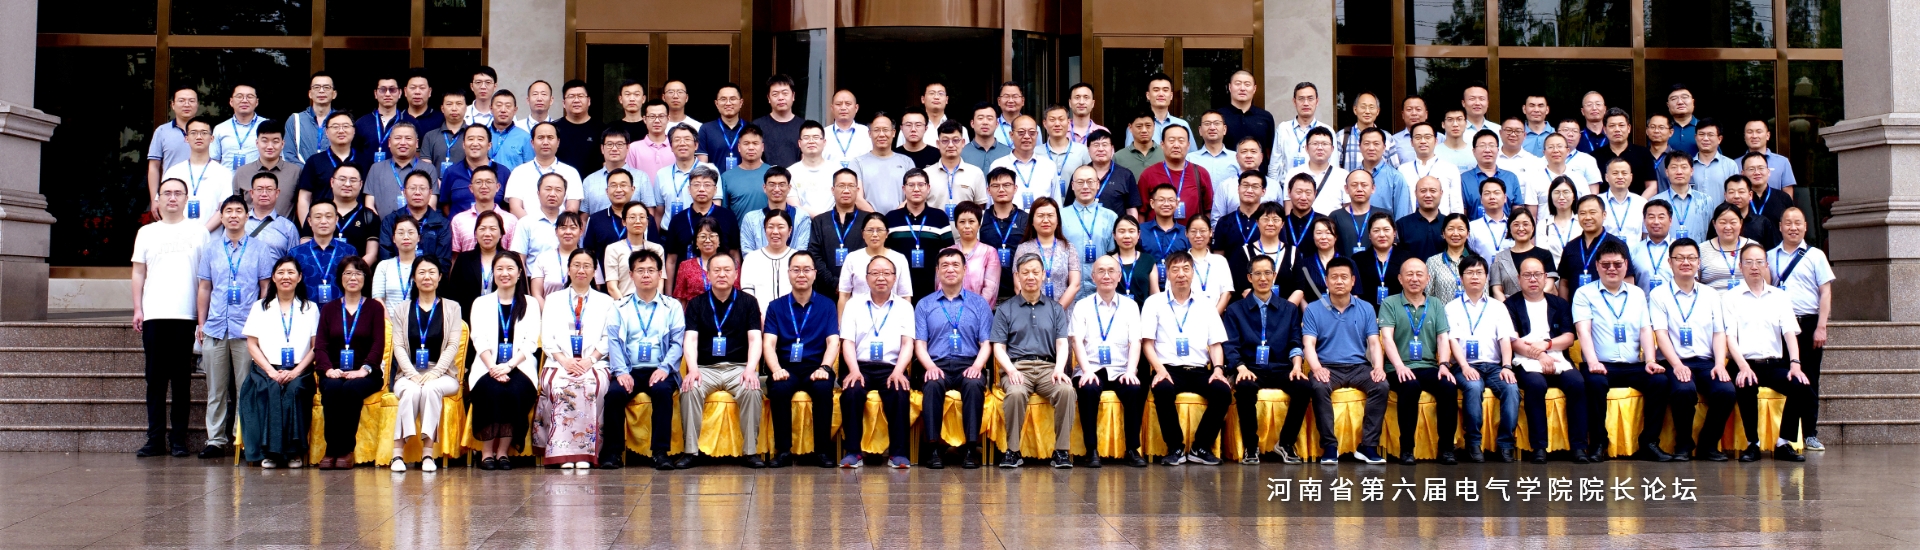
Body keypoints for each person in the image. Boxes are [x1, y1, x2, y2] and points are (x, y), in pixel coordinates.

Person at [1570, 239, 1670, 461]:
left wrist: (1650, 361)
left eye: (1617, 264)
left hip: (1633, 365)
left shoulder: (1637, 293)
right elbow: (1583, 331)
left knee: (1660, 381)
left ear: (1626, 265)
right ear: (1597, 266)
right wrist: (1593, 362)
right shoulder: (1584, 293)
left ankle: (1649, 442)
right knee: (1594, 383)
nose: (1612, 269)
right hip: (1600, 364)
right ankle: (1598, 443)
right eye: (1606, 265)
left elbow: (1645, 329)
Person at [194, 197, 274, 459]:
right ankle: (215, 440)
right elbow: (205, 287)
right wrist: (201, 323)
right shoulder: (211, 249)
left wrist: (261, 324)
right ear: (221, 216)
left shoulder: (260, 249)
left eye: (239, 210)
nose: (233, 215)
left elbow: (265, 288)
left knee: (244, 388)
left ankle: (242, 438)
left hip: (246, 329)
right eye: (228, 211)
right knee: (215, 389)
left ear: (247, 215)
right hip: (216, 326)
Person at [1723, 243, 1814, 462]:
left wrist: (1795, 363)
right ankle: (1752, 444)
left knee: (1800, 385)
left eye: (1759, 262)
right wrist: (1743, 367)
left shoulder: (1779, 296)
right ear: (1740, 266)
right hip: (1743, 362)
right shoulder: (1730, 297)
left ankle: (1783, 442)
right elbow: (1729, 337)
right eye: (1748, 262)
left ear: (1766, 265)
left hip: (1773, 364)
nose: (1754, 267)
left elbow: (1790, 332)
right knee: (1745, 384)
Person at [1504, 255, 1596, 462]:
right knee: (1535, 385)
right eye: (1527, 275)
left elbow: (1569, 337)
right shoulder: (1510, 305)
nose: (1533, 279)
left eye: (1537, 274)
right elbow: (1513, 341)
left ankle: (1579, 447)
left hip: (1557, 356)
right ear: (1519, 278)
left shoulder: (1559, 304)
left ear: (1546, 277)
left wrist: (1546, 346)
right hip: (1524, 359)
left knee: (1577, 383)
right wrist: (1540, 356)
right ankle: (1539, 448)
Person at [991, 253, 1079, 468]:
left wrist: (1059, 369)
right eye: (1025, 272)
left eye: (1035, 272)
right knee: (1015, 393)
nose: (1030, 277)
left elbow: (1062, 343)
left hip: (1048, 368)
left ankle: (1061, 451)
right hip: (1017, 367)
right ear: (1017, 276)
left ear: (1043, 275)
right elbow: (998, 347)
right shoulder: (1005, 309)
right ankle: (1013, 451)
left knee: (1066, 391)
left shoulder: (1055, 308)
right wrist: (1011, 370)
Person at [679, 254, 766, 469]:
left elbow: (755, 339)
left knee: (752, 390)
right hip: (705, 369)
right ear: (708, 275)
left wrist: (750, 369)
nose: (722, 274)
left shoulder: (748, 302)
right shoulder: (696, 304)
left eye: (727, 270)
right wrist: (692, 370)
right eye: (716, 270)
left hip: (738, 368)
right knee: (689, 389)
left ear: (736, 274)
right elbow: (690, 339)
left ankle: (750, 452)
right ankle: (690, 451)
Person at [1223, 255, 1313, 465]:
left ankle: (1286, 443)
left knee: (1303, 387)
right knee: (1245, 387)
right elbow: (1231, 345)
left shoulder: (1289, 309)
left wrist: (1297, 366)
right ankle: (1251, 447)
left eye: (1267, 273)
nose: (1262, 278)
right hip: (1250, 367)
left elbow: (1295, 341)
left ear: (1274, 275)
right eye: (1257, 274)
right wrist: (1240, 367)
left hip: (1281, 367)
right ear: (1249, 277)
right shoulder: (1235, 309)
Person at [601, 250, 686, 469]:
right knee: (614, 394)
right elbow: (614, 342)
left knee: (662, 391)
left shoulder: (672, 306)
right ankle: (613, 453)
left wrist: (665, 368)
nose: (646, 275)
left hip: (660, 368)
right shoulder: (619, 307)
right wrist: (621, 372)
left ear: (660, 274)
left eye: (650, 270)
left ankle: (660, 452)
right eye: (640, 270)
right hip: (629, 369)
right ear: (631, 274)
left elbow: (677, 343)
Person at [1302, 256, 1389, 464]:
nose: (1339, 281)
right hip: (1328, 367)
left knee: (1381, 385)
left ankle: (1368, 446)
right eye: (1334, 277)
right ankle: (1330, 446)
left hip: (1359, 367)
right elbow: (1308, 344)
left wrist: (1378, 367)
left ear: (1353, 281)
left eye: (1344, 277)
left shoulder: (1366, 308)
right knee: (1319, 386)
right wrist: (1317, 368)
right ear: (1326, 281)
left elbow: (1374, 343)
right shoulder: (1314, 308)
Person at [1646, 237, 1727, 461]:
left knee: (1726, 391)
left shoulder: (1710, 294)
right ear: (1669, 262)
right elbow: (1661, 333)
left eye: (1691, 258)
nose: (1686, 262)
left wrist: (1720, 364)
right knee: (1684, 390)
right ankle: (1683, 444)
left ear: (1699, 262)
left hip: (1705, 361)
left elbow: (1719, 333)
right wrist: (1677, 365)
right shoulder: (1658, 294)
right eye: (1679, 258)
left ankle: (1708, 445)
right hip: (1674, 361)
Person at [914, 249, 996, 468]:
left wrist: (977, 366)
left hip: (968, 363)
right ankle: (933, 449)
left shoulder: (979, 304)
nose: (950, 269)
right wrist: (930, 367)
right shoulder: (924, 305)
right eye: (945, 265)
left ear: (965, 269)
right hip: (936, 364)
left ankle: (970, 448)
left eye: (955, 265)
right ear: (937, 271)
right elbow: (920, 344)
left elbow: (986, 343)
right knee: (932, 385)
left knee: (973, 384)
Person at [238, 257, 320, 469]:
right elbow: (252, 344)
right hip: (265, 369)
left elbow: (315, 347)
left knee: (295, 390)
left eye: (291, 272)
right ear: (273, 277)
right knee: (271, 389)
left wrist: (296, 372)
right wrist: (271, 372)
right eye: (281, 272)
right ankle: (270, 453)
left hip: (300, 370)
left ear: (299, 277)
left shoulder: (310, 308)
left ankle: (293, 452)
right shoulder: (260, 307)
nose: (286, 277)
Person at [836, 256, 918, 469]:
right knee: (852, 391)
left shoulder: (904, 307)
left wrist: (899, 371)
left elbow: (908, 343)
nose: (881, 277)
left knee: (899, 391)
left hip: (891, 366)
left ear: (894, 278)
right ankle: (853, 452)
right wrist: (854, 370)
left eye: (886, 273)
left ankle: (898, 454)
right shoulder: (853, 305)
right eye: (875, 273)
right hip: (859, 365)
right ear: (866, 278)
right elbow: (847, 342)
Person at [760, 251, 840, 468]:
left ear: (815, 273)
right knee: (779, 389)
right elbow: (768, 343)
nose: (801, 274)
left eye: (806, 270)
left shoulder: (827, 305)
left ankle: (822, 451)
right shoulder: (775, 306)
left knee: (823, 388)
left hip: (816, 366)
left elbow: (833, 341)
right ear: (788, 273)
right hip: (786, 367)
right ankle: (783, 451)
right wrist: (775, 369)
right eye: (796, 270)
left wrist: (825, 367)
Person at [1377, 257, 1459, 464]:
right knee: (1410, 385)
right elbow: (1387, 338)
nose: (1414, 279)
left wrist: (1444, 364)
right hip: (1397, 367)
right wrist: (1399, 366)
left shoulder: (1436, 304)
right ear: (1400, 278)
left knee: (1448, 386)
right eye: (1409, 274)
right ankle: (1407, 449)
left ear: (1427, 278)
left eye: (1419, 274)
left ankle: (1447, 449)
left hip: (1429, 365)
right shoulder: (1390, 303)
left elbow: (1443, 338)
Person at [466, 252, 540, 471]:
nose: (504, 273)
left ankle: (503, 451)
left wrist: (508, 366)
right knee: (490, 390)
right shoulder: (481, 303)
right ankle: (487, 451)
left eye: (510, 269)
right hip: (486, 365)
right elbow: (478, 339)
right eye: (499, 269)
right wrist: (493, 367)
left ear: (519, 273)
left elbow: (531, 343)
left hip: (520, 365)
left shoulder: (530, 303)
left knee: (513, 391)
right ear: (493, 273)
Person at [388, 257, 463, 472]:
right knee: (410, 391)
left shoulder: (452, 307)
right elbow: (398, 346)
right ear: (413, 277)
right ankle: (397, 455)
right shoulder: (402, 309)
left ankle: (428, 454)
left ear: (440, 277)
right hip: (408, 372)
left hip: (443, 374)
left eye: (432, 272)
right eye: (421, 272)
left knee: (431, 388)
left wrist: (436, 372)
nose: (427, 277)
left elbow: (452, 345)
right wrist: (411, 374)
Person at [1445, 255, 1521, 462]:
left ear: (1486, 277)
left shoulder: (1498, 306)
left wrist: (1507, 366)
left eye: (1479, 272)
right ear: (1461, 278)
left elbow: (1505, 339)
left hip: (1495, 366)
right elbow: (1452, 341)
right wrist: (1464, 366)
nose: (1475, 277)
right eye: (1469, 273)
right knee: (1473, 387)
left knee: (1511, 388)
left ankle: (1506, 444)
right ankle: (1473, 442)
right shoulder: (1452, 307)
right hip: (1465, 365)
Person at [312, 258, 385, 470]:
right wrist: (328, 369)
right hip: (333, 371)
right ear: (340, 278)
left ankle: (345, 450)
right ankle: (331, 449)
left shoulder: (374, 307)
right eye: (348, 273)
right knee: (333, 388)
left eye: (358, 273)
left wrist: (364, 369)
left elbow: (378, 343)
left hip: (366, 373)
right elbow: (321, 345)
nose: (353, 278)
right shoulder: (329, 309)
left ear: (365, 278)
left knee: (351, 388)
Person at [1771, 208, 1833, 452]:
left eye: (1798, 223)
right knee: (1786, 378)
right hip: (1779, 327)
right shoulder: (1769, 256)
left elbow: (1825, 292)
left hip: (1807, 323)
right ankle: (1786, 435)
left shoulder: (1816, 255)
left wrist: (1821, 326)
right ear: (1780, 226)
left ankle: (1810, 434)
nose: (1793, 227)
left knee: (1810, 379)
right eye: (1788, 223)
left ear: (1806, 226)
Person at [883, 168, 955, 300]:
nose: (916, 189)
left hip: (932, 287)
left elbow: (949, 253)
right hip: (898, 288)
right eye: (911, 185)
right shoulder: (891, 218)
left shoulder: (939, 217)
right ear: (904, 189)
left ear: (928, 188)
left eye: (921, 185)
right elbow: (884, 253)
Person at [661, 166, 741, 282]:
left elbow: (734, 254)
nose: (701, 189)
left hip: (722, 282)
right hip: (687, 285)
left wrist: (736, 285)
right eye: (696, 185)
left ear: (715, 190)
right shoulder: (678, 220)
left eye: (707, 185)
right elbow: (671, 260)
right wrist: (669, 292)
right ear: (689, 189)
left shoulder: (728, 217)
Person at [159, 117, 235, 230]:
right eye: (193, 133)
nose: (199, 137)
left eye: (204, 133)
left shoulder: (224, 173)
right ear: (186, 138)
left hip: (211, 237)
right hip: (178, 235)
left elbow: (224, 208)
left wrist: (202, 233)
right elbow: (163, 204)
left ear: (212, 138)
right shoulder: (173, 171)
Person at [806, 170, 871, 299]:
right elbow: (814, 255)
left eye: (851, 186)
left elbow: (875, 252)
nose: (846, 190)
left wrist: (855, 283)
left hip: (862, 291)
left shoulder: (868, 220)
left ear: (857, 190)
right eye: (841, 185)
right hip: (825, 292)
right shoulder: (820, 221)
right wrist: (834, 283)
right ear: (832, 189)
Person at [1013, 197, 1082, 310]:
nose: (1045, 220)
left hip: (1063, 312)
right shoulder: (1023, 249)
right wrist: (1036, 311)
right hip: (1032, 312)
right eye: (1040, 216)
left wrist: (1057, 311)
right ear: (1032, 221)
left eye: (1050, 215)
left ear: (1058, 220)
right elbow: (1018, 285)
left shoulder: (1069, 248)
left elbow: (1075, 284)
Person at [1062, 166, 1118, 302]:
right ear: (1073, 186)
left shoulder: (1110, 217)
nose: (1085, 186)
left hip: (1102, 292)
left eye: (1090, 182)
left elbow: (1113, 254)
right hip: (1068, 292)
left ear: (1097, 184)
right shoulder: (1060, 215)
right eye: (1080, 182)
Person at [1557, 195, 1630, 298]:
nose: (1587, 217)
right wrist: (1564, 307)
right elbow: (1564, 282)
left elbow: (1628, 279)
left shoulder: (1618, 244)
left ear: (1604, 215)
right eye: (1582, 213)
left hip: (1608, 305)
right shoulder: (1570, 246)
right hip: (1576, 306)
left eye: (1592, 212)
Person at [505, 123, 585, 217]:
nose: (545, 142)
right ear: (532, 143)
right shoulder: (519, 172)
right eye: (540, 138)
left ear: (558, 142)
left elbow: (572, 208)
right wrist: (533, 225)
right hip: (527, 225)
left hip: (560, 225)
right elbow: (515, 208)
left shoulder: (571, 173)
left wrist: (557, 224)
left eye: (550, 137)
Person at [508, 173, 569, 293]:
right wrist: (526, 292)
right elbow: (520, 259)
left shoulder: (570, 223)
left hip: (568, 284)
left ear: (564, 195)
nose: (552, 194)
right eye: (548, 189)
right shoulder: (526, 223)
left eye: (558, 190)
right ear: (538, 193)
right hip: (534, 283)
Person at [289, 201, 360, 304]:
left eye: (328, 216)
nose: (323, 221)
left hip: (341, 310)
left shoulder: (349, 251)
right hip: (305, 310)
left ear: (336, 219)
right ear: (309, 221)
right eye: (318, 217)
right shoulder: (296, 253)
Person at [649, 124, 721, 223]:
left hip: (702, 230)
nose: (682, 143)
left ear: (696, 145)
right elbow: (659, 211)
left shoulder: (710, 169)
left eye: (687, 139)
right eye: (677, 140)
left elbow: (716, 205)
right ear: (671, 146)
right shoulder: (662, 174)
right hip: (669, 231)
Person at [231, 120, 303, 218]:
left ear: (282, 144)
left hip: (285, 227)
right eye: (264, 141)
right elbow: (236, 207)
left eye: (275, 141)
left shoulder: (295, 172)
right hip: (250, 227)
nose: (270, 146)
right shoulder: (242, 172)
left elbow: (301, 205)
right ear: (257, 143)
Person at [990, 115, 1063, 211]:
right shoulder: (998, 165)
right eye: (1021, 132)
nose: (1027, 137)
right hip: (1009, 219)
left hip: (1042, 219)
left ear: (1037, 134)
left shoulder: (1048, 165)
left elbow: (1057, 203)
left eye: (1032, 133)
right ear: (1011, 135)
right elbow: (991, 203)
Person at [439, 124, 514, 217]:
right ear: (463, 144)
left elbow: (507, 206)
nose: (475, 143)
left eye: (480, 139)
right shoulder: (451, 172)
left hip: (493, 225)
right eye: (470, 139)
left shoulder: (503, 172)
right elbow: (445, 205)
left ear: (489, 145)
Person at [379, 171, 453, 264]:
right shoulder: (390, 221)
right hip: (398, 272)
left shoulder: (442, 224)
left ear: (430, 193)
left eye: (422, 188)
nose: (417, 192)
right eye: (412, 188)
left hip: (430, 273)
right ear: (404, 192)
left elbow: (443, 262)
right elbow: (386, 258)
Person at [364, 122, 438, 215]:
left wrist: (413, 223)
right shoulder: (376, 168)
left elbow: (431, 203)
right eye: (398, 138)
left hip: (418, 224)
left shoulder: (428, 169)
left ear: (416, 143)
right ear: (389, 142)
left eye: (408, 138)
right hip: (382, 224)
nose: (403, 143)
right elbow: (369, 205)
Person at [980, 168, 1030, 300]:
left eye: (1006, 185)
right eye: (995, 186)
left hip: (1019, 292)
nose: (1001, 189)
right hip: (987, 292)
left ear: (1015, 188)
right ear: (988, 190)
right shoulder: (981, 219)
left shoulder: (1026, 220)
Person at [1396, 122, 1464, 217]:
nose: (1423, 141)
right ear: (1411, 142)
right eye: (1418, 137)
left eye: (1428, 137)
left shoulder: (1450, 169)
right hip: (1411, 223)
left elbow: (1457, 205)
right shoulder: (1403, 170)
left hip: (1442, 223)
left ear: (1436, 141)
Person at [446, 211, 508, 315]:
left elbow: (520, 292)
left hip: (503, 317)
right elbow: (453, 294)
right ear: (475, 234)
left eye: (492, 229)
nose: (487, 234)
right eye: (482, 229)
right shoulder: (464, 259)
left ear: (501, 233)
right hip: (468, 317)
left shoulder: (510, 260)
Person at [740, 209, 799, 318]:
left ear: (790, 230)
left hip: (793, 318)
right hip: (760, 318)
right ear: (764, 230)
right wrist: (758, 316)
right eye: (770, 227)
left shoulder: (798, 258)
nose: (775, 232)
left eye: (781, 227)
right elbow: (747, 292)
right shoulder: (752, 258)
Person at [853, 112, 916, 214]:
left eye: (885, 130)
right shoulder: (857, 163)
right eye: (876, 130)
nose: (881, 134)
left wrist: (894, 217)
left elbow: (912, 194)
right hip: (868, 221)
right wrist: (876, 219)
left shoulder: (907, 162)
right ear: (869, 133)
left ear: (893, 133)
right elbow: (857, 197)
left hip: (900, 219)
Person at [147, 87, 200, 206]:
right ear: (173, 105)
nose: (187, 104)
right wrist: (154, 199)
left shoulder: (207, 132)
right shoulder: (162, 131)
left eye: (191, 101)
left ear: (197, 104)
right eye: (181, 100)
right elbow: (154, 167)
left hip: (201, 191)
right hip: (171, 194)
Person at [928, 120, 993, 216]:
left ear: (963, 143)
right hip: (935, 226)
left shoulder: (975, 173)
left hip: (967, 225)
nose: (950, 145)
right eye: (945, 141)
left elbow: (980, 207)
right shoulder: (927, 174)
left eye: (955, 140)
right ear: (938, 144)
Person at [1276, 127, 1346, 216]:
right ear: (1306, 148)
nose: (1320, 148)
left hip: (1332, 224)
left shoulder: (1343, 175)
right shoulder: (1294, 173)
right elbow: (1288, 205)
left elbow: (1347, 207)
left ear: (1332, 149)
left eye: (1325, 144)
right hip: (1301, 224)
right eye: (1315, 143)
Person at [602, 203, 666, 301]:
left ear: (647, 221)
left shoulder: (657, 249)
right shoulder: (613, 249)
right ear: (624, 221)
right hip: (623, 303)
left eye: (642, 217)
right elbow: (612, 287)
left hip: (652, 304)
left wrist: (653, 304)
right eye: (632, 217)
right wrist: (626, 307)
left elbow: (660, 284)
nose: (638, 221)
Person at [582, 163, 642, 261]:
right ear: (607, 191)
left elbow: (653, 251)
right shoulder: (595, 219)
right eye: (613, 186)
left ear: (632, 189)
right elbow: (589, 253)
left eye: (623, 185)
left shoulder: (644, 218)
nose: (618, 190)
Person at [1489, 208, 1552, 301]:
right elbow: (1496, 290)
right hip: (1508, 307)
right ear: (1509, 229)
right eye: (1516, 225)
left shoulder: (1545, 254)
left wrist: (1533, 301)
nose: (1521, 228)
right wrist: (1508, 307)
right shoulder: (1500, 257)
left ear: (1533, 228)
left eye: (1525, 224)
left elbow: (1549, 285)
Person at [1589, 108, 1657, 194]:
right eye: (1612, 126)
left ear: (1628, 128)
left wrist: (1639, 202)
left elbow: (1652, 186)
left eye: (1621, 125)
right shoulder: (1594, 157)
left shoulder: (1643, 153)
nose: (1617, 129)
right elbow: (1593, 189)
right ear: (1605, 130)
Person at [947, 202, 1003, 304]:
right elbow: (940, 286)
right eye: (962, 222)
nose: (967, 226)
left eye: (971, 221)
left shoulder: (989, 252)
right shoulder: (946, 253)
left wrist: (975, 310)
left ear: (979, 225)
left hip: (979, 310)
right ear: (956, 225)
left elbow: (990, 289)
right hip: (950, 310)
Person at [1218, 71, 1276, 170]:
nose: (1242, 88)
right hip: (1225, 173)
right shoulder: (1218, 117)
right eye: (1238, 84)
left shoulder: (1265, 117)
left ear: (1254, 89)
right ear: (1230, 87)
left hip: (1258, 176)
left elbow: (1271, 152)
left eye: (1247, 84)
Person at [1270, 82, 1330, 172]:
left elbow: (1333, 164)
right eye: (1301, 99)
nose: (1306, 103)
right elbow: (1274, 165)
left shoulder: (1327, 131)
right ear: (1294, 102)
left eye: (1310, 99)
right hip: (1288, 181)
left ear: (1317, 101)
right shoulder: (1283, 129)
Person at [1459, 130, 1518, 222]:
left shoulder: (1511, 178)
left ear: (1498, 150)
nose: (1487, 150)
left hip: (1506, 229)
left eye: (1491, 145)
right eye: (1482, 146)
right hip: (1474, 229)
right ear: (1474, 151)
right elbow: (1461, 214)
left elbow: (1517, 212)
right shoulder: (1464, 179)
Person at [1653, 154, 1713, 243]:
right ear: (1667, 172)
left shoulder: (1705, 200)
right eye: (1674, 167)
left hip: (1699, 250)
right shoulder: (1656, 201)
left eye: (1684, 167)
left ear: (1691, 171)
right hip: (1667, 251)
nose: (1679, 172)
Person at [1333, 170, 1393, 257]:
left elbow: (1393, 245)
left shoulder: (1384, 215)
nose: (1359, 189)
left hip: (1376, 264)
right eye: (1354, 185)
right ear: (1346, 189)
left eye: (1364, 185)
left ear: (1373, 188)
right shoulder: (1336, 216)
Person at [1356, 128, 1412, 219]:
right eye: (1366, 143)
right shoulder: (1353, 176)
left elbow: (1402, 216)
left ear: (1384, 147)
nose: (1371, 148)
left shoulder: (1396, 178)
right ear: (1360, 147)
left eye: (1376, 144)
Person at [1284, 217, 1341, 307]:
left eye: (1328, 233)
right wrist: (1308, 312)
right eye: (1319, 233)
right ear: (1313, 236)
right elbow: (1300, 292)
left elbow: (1354, 294)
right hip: (1312, 312)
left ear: (1336, 237)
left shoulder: (1348, 263)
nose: (1323, 237)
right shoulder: (1304, 264)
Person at [1700, 203, 1758, 290]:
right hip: (1713, 297)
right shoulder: (1702, 249)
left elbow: (1764, 279)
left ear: (1741, 223)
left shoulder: (1753, 247)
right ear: (1714, 224)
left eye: (1733, 222)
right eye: (1723, 223)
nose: (1728, 227)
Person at [1351, 212, 1405, 306]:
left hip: (1399, 311)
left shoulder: (1407, 259)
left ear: (1394, 233)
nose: (1382, 235)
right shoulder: (1357, 260)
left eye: (1386, 230)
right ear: (1369, 235)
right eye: (1376, 230)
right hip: (1367, 312)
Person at [788, 123, 842, 215]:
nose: (811, 141)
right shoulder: (790, 172)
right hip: (803, 222)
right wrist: (820, 219)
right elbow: (794, 205)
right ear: (799, 143)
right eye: (806, 138)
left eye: (816, 137)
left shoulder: (837, 170)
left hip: (834, 221)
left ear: (824, 142)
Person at [752, 74, 805, 167]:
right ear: (769, 98)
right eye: (775, 94)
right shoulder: (757, 126)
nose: (780, 98)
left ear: (793, 96)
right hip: (765, 175)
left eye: (785, 93)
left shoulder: (804, 126)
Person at [530, 212, 588, 297]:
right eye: (563, 228)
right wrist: (546, 306)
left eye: (573, 228)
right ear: (556, 231)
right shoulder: (543, 258)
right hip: (548, 305)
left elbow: (596, 289)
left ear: (581, 231)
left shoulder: (589, 258)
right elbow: (536, 294)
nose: (568, 232)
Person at [1337, 92, 1399, 171]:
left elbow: (1394, 169)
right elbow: (1335, 169)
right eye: (1363, 107)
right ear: (1355, 110)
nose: (1367, 111)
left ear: (1377, 111)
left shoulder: (1387, 138)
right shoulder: (1342, 136)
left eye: (1371, 107)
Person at [1085, 129, 1142, 216]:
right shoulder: (1080, 174)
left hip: (1117, 224)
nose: (1101, 149)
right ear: (1088, 149)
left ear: (1112, 148)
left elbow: (1131, 210)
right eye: (1096, 145)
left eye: (1105, 145)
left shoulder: (1125, 175)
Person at [553, 80, 604, 174]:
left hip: (592, 181)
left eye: (580, 96)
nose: (576, 100)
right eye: (571, 96)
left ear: (589, 101)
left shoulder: (602, 129)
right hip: (560, 181)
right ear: (563, 103)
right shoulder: (553, 129)